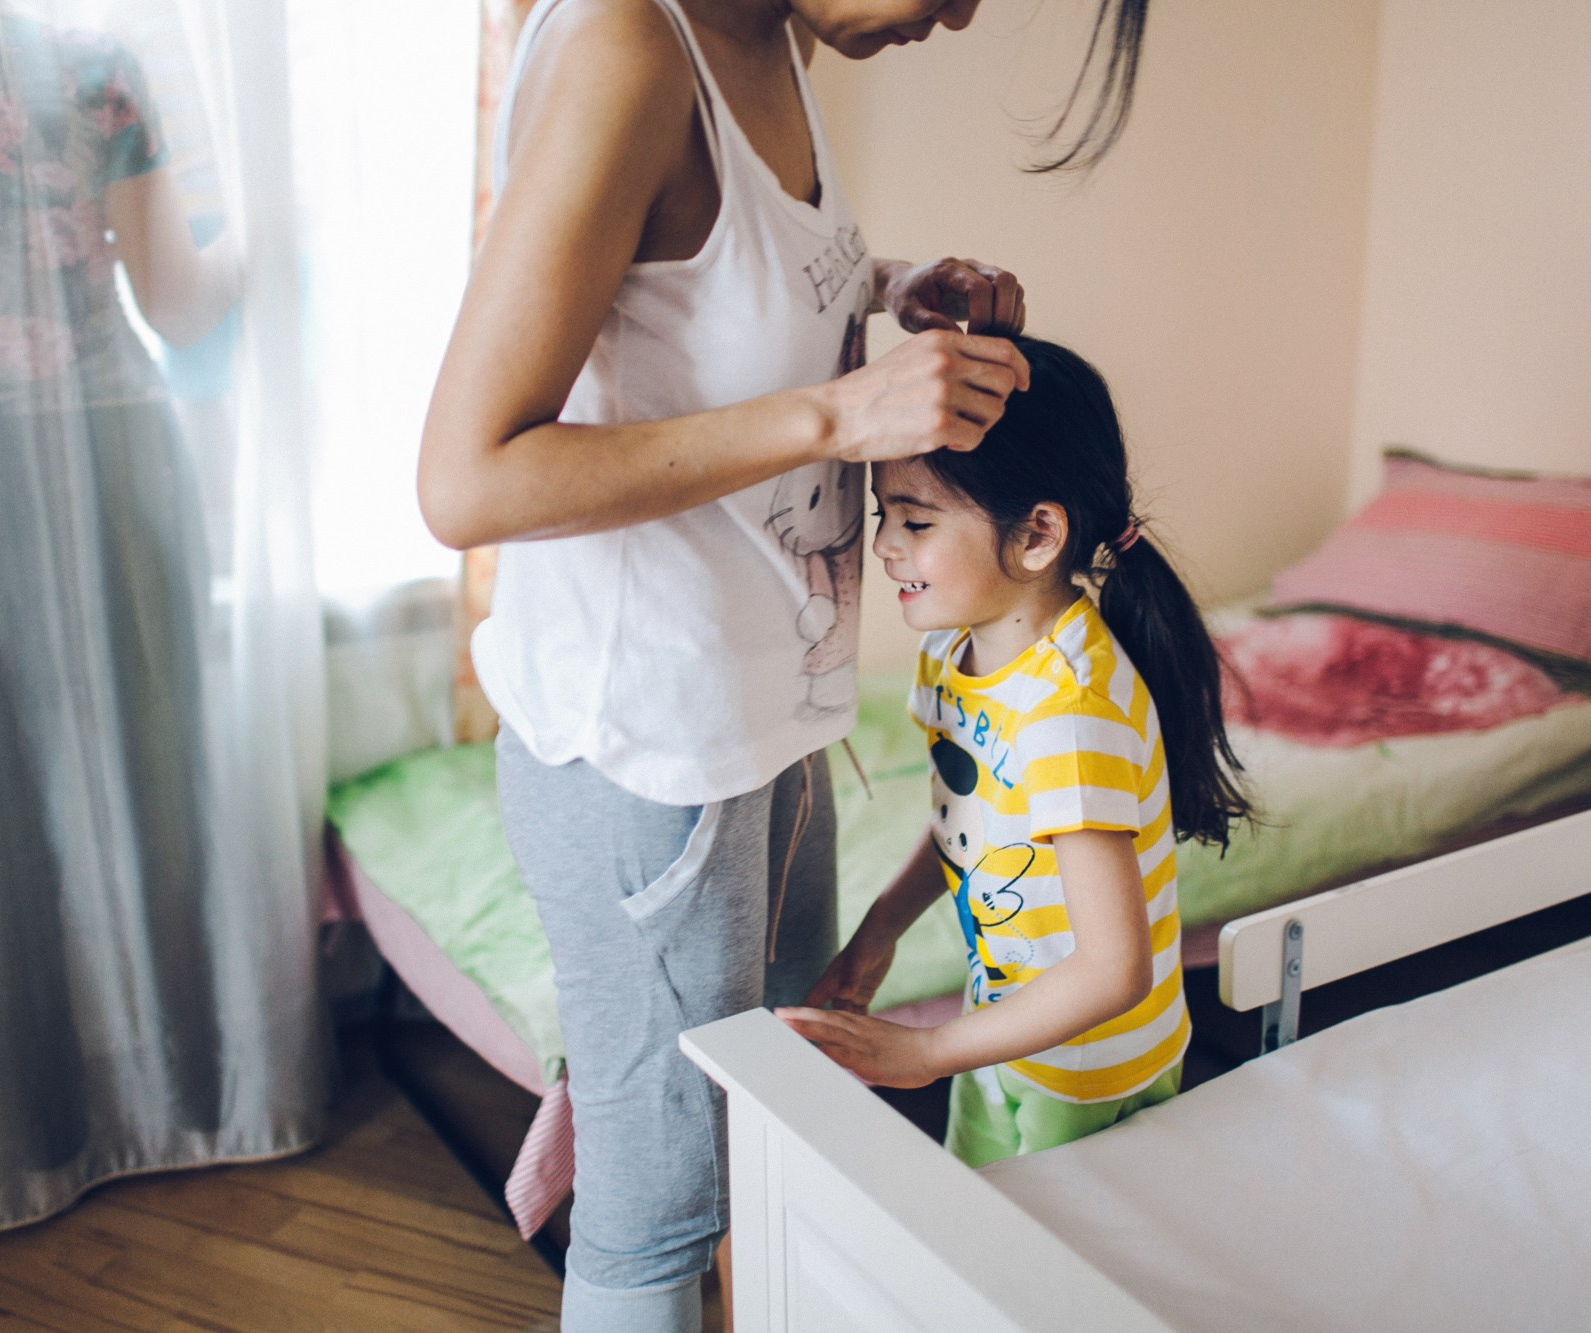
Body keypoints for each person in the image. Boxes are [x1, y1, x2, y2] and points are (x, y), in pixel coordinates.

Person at [416, 3, 1152, 1326]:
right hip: (658, 745)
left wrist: (886, 292)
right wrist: (834, 411)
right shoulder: (632, 47)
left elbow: (686, 321)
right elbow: (466, 483)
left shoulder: (782, 39)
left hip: (776, 727)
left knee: (776, 1135)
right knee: (662, 1210)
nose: (960, 10)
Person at [0, 0, 239, 1161]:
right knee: (161, 776)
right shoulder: (92, 62)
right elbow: (182, 306)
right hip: (108, 447)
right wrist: (272, 225)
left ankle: (32, 1119)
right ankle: (201, 1083)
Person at [777, 335, 1252, 1167]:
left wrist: (927, 1052)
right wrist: (879, 933)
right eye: (886, 514)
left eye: (916, 520)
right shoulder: (953, 654)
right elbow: (973, 826)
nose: (885, 544)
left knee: (1047, 1246)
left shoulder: (1071, 714)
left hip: (1088, 1072)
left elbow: (1114, 969)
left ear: (1036, 534)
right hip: (1006, 1028)